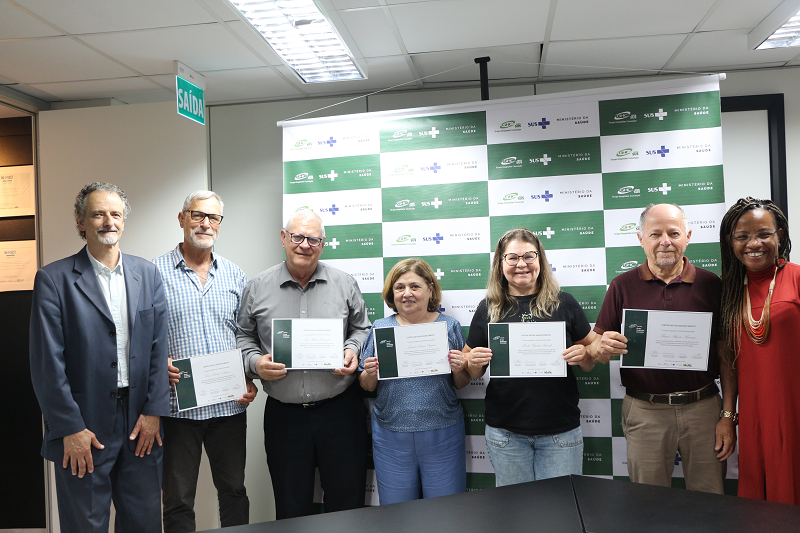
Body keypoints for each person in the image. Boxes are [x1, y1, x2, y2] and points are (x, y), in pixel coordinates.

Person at [29, 182, 168, 532]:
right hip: (83, 426)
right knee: (85, 525)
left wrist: (154, 412)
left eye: (115, 214)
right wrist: (69, 428)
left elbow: (158, 348)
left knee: (144, 523)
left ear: (124, 220)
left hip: (140, 424)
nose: (109, 221)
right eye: (98, 214)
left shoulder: (147, 274)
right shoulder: (53, 279)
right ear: (81, 222)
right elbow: (48, 365)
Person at [236, 208, 371, 519]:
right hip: (285, 418)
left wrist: (352, 349)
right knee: (291, 508)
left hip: (341, 412)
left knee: (347, 506)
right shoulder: (257, 287)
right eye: (297, 237)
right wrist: (255, 363)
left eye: (313, 239)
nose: (304, 245)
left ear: (322, 244)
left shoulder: (344, 283)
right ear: (283, 238)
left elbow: (362, 328)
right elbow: (242, 336)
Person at [592, 203, 736, 494]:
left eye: (674, 233)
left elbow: (726, 357)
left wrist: (727, 415)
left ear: (688, 236)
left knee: (710, 499)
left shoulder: (712, 285)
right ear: (641, 239)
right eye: (655, 234)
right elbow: (595, 348)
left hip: (704, 409)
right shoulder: (621, 285)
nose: (665, 242)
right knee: (649, 502)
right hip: (645, 410)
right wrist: (602, 346)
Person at [153, 190, 258, 532]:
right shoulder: (153, 273)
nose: (205, 223)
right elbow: (141, 335)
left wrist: (248, 376)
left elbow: (244, 334)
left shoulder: (234, 275)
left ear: (220, 224)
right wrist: (157, 363)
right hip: (178, 408)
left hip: (228, 407)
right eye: (197, 215)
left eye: (213, 217)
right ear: (182, 219)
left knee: (234, 491)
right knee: (178, 499)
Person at [463, 228, 596, 485]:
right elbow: (471, 368)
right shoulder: (488, 307)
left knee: (559, 507)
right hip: (506, 433)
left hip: (560, 431)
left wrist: (585, 354)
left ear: (540, 260)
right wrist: (473, 363)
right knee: (516, 508)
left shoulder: (564, 303)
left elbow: (590, 361)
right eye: (512, 257)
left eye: (529, 256)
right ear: (500, 264)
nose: (521, 264)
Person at [359, 258, 471, 504]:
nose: (407, 293)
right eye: (399, 287)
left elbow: (461, 383)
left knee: (447, 511)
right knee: (397, 513)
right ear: (392, 293)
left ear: (430, 289)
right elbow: (367, 386)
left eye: (415, 286)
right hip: (391, 435)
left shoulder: (448, 325)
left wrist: (458, 368)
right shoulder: (380, 328)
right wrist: (369, 372)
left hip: (443, 432)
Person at [719, 197, 799, 505]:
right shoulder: (728, 291)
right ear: (731, 241)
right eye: (743, 236)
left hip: (794, 408)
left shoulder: (797, 278)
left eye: (764, 234)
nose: (754, 244)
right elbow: (727, 360)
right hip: (754, 415)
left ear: (780, 234)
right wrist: (728, 416)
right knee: (759, 501)